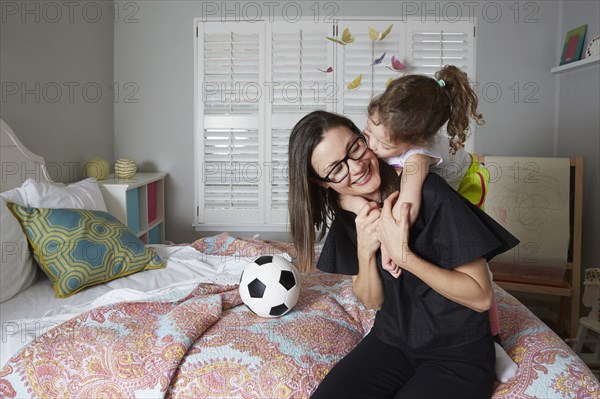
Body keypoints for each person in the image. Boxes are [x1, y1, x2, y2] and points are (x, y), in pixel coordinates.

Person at [288, 110, 519, 398]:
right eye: (337, 169)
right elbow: (372, 300)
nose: (356, 168)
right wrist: (364, 249)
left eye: (355, 148)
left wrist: (403, 255)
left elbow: (481, 296)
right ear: (323, 182)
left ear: (365, 137)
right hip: (392, 341)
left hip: (456, 354)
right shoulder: (351, 213)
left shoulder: (430, 193)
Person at [341, 65, 518, 383]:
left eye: (380, 144)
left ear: (412, 142)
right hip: (398, 338)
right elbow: (345, 198)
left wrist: (391, 248)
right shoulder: (392, 142)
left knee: (480, 274)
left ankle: (492, 341)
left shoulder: (418, 160)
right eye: (368, 133)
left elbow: (407, 206)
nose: (371, 147)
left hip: (466, 188)